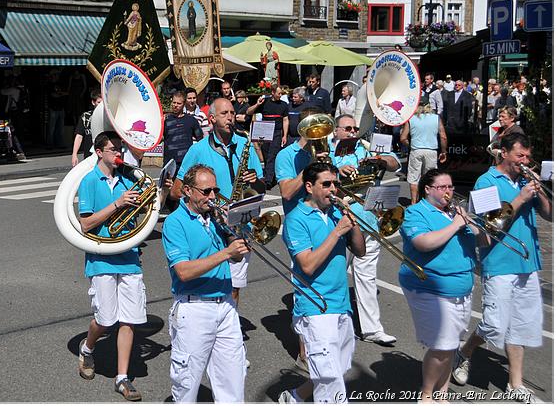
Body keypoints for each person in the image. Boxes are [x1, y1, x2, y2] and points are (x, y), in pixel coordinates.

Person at [452, 134, 552, 403]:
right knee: (495, 324)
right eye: (520, 156)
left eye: (528, 157)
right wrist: (520, 199)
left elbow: (550, 215)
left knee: (522, 323)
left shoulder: (525, 180)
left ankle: (515, 384)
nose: (525, 162)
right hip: (499, 260)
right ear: (504, 153)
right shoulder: (486, 181)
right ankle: (464, 353)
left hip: (527, 261)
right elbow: (489, 226)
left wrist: (540, 192)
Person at [278, 162, 366, 404]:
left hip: (341, 303)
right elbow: (307, 265)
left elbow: (360, 251)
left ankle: (295, 397)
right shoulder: (296, 219)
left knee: (338, 369)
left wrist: (353, 222)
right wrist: (337, 232)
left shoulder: (337, 213)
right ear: (309, 186)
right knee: (330, 383)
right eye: (326, 184)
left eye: (335, 184)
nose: (333, 189)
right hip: (315, 306)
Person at [162, 164, 249, 402]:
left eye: (215, 190)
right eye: (206, 191)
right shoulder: (175, 222)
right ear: (188, 191)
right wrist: (226, 253)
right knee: (187, 383)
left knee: (233, 379)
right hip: (194, 308)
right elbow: (183, 272)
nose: (212, 197)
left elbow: (239, 254)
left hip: (226, 305)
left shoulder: (216, 218)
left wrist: (234, 231)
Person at [170, 98, 264, 317]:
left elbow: (261, 185)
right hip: (211, 224)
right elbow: (177, 190)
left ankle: (229, 322)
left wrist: (255, 181)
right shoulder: (198, 150)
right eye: (224, 113)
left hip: (241, 224)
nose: (231, 117)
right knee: (213, 279)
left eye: (232, 112)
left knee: (235, 284)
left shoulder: (244, 144)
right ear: (211, 119)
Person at [399, 168, 484, 403]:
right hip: (430, 287)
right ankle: (426, 395)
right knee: (442, 346)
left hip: (462, 287)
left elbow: (482, 239)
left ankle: (442, 394)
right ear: (427, 189)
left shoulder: (455, 214)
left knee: (451, 345)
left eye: (450, 187)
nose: (449, 191)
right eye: (442, 187)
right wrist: (457, 224)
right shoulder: (416, 212)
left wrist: (474, 223)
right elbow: (424, 243)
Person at [76, 131, 146, 401]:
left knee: (130, 319)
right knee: (106, 319)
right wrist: (118, 203)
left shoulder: (129, 178)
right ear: (99, 152)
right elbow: (86, 223)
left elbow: (144, 214)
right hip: (102, 256)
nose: (118, 153)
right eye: (113, 149)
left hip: (129, 255)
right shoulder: (89, 181)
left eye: (120, 148)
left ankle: (122, 378)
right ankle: (88, 347)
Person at [329, 114, 399, 347]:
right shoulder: (327, 150)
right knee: (336, 275)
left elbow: (395, 163)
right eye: (347, 128)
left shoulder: (366, 147)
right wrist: (338, 172)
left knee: (368, 277)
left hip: (370, 218)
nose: (352, 132)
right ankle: (333, 325)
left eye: (355, 128)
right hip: (343, 221)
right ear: (336, 130)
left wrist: (381, 160)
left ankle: (372, 329)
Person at [400, 104, 448, 204]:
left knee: (414, 178)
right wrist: (443, 151)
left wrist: (410, 145)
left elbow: (403, 138)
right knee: (430, 178)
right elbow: (443, 137)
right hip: (431, 151)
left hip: (416, 150)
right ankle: (428, 202)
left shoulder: (411, 118)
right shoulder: (436, 118)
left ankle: (413, 202)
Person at [246, 84, 290, 188]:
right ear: (273, 93)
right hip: (265, 131)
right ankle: (270, 174)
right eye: (278, 93)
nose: (280, 95)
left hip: (277, 132)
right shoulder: (265, 102)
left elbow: (285, 120)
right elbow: (249, 112)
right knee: (265, 155)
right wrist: (257, 104)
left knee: (272, 155)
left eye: (281, 93)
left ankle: (268, 180)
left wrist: (285, 135)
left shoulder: (284, 105)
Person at [163, 90, 203, 172]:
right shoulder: (165, 120)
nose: (175, 105)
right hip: (169, 162)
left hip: (186, 162)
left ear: (184, 104)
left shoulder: (191, 120)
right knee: (167, 184)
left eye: (178, 103)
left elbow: (200, 140)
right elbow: (159, 138)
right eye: (174, 103)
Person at [72, 89, 102, 167]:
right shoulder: (86, 117)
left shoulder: (109, 117)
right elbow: (79, 136)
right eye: (99, 102)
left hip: (103, 156)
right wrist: (74, 154)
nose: (101, 105)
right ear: (93, 102)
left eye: (103, 102)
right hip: (89, 155)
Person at [47, 77, 68, 149]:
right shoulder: (49, 86)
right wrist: (61, 94)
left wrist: (60, 94)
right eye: (54, 75)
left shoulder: (61, 84)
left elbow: (67, 93)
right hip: (53, 109)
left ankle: (60, 144)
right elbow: (53, 95)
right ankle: (50, 144)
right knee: (51, 128)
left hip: (61, 108)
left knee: (60, 128)